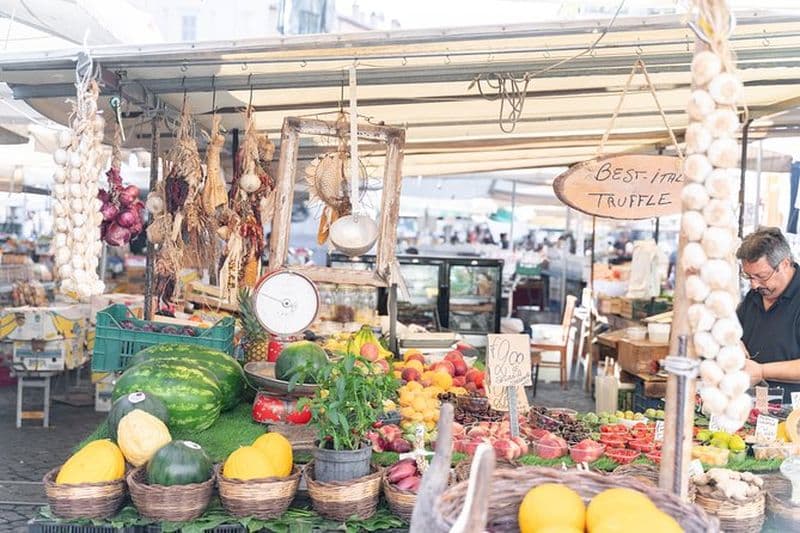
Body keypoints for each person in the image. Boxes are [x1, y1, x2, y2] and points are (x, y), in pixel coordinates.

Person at [736, 227, 800, 401]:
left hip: (794, 413)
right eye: (749, 277)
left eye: (761, 276)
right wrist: (734, 341)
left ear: (785, 264)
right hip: (753, 404)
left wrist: (762, 371)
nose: (754, 285)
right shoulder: (755, 295)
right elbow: (736, 328)